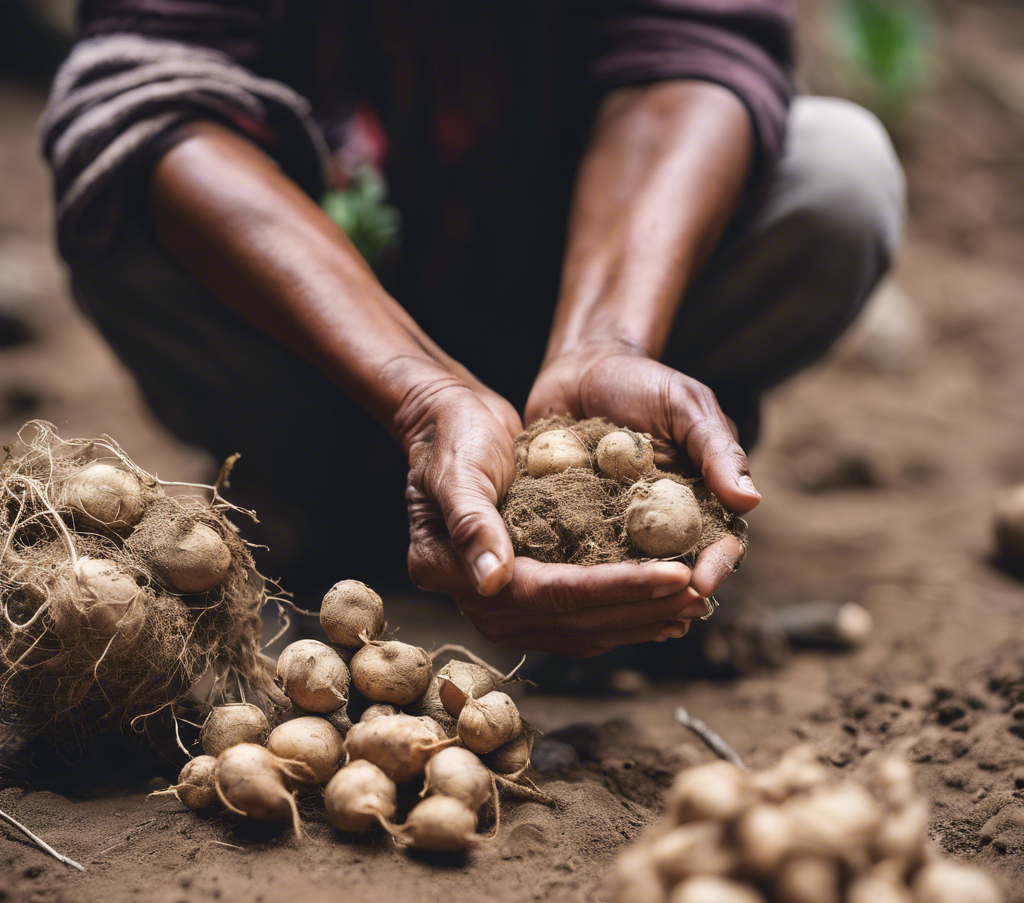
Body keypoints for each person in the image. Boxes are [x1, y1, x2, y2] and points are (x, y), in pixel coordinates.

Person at [40, 1, 904, 658]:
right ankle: (326, 492)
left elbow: (693, 45)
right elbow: (151, 92)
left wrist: (607, 339)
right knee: (117, 195)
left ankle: (552, 476)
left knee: (837, 179)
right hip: (312, 354)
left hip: (578, 275)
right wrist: (423, 395)